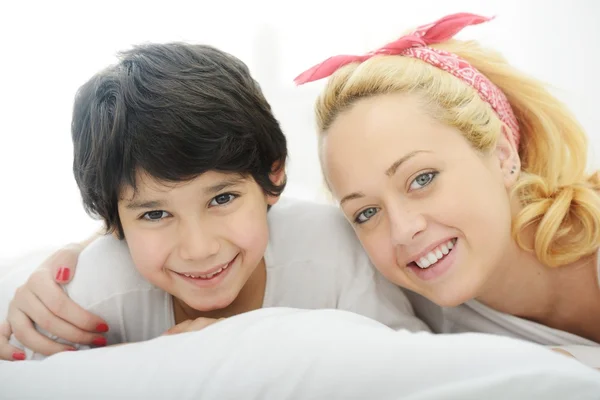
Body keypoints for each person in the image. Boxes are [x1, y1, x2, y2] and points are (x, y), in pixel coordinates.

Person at [0, 42, 427, 361]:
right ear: (115, 223)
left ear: (272, 177)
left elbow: (413, 368)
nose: (199, 248)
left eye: (222, 198)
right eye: (154, 213)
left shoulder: (334, 254)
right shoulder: (91, 293)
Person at [294, 12, 600, 366]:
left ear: (502, 154)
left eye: (422, 179)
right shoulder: (421, 323)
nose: (404, 231)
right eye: (366, 213)